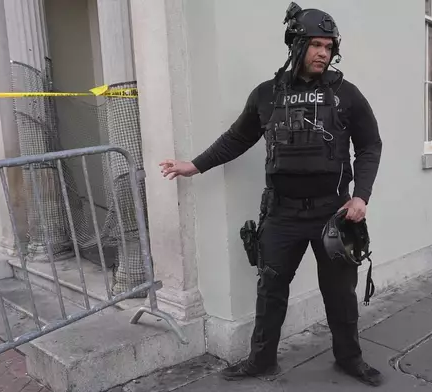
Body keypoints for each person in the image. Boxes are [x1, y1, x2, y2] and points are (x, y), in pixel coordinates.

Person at [159, 2, 383, 387]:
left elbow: (369, 146)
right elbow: (237, 139)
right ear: (295, 44)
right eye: (315, 44)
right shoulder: (267, 95)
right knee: (271, 289)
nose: (322, 53)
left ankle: (350, 358)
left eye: (328, 47)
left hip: (333, 214)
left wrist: (360, 196)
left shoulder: (347, 95)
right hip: (281, 214)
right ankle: (261, 360)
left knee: (340, 295)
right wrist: (193, 166)